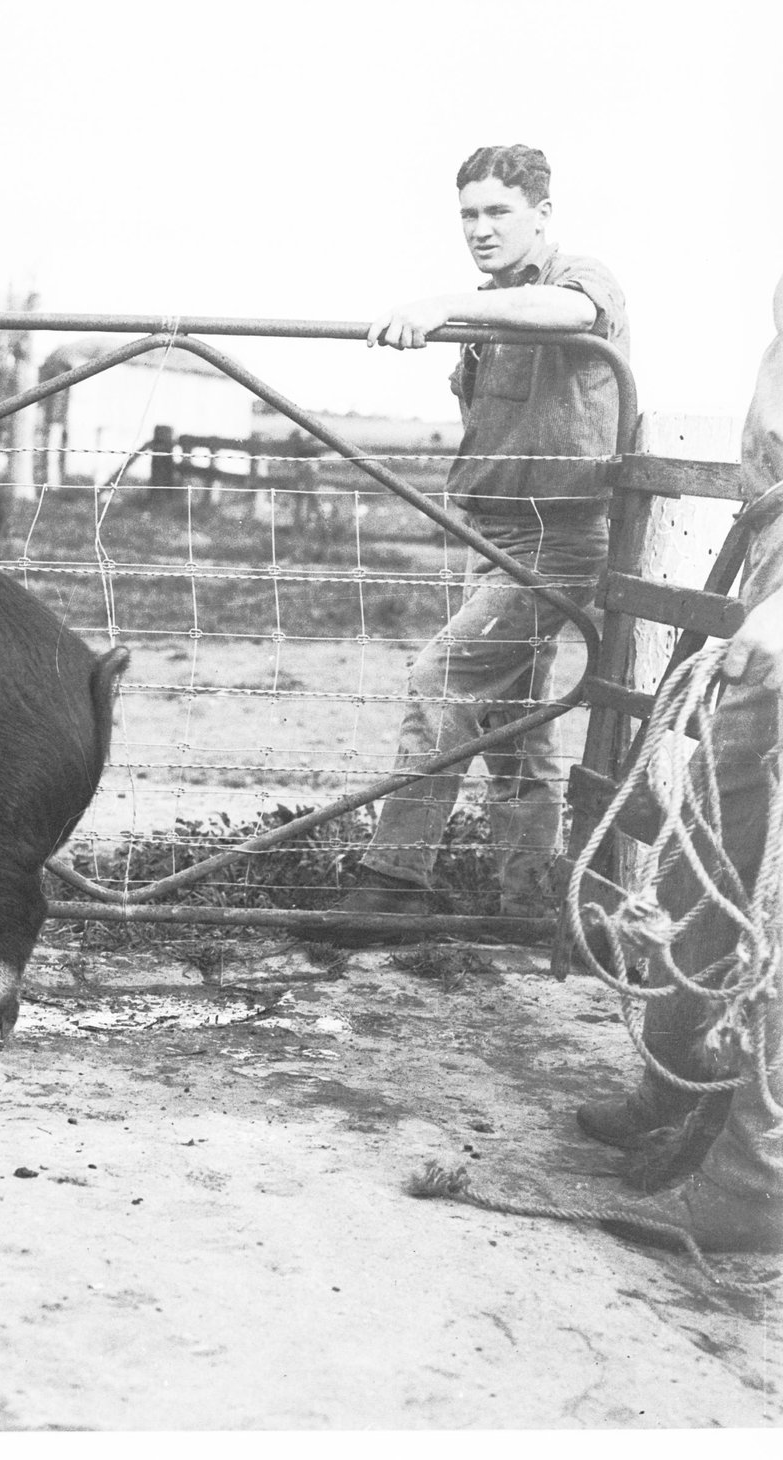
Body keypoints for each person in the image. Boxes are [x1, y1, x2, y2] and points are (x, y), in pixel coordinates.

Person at [326, 144, 630, 939]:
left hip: (558, 538)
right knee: (517, 734)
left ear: (543, 214)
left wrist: (440, 302)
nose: (482, 229)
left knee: (441, 680)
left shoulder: (578, 278)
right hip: (493, 534)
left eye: (499, 212)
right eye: (469, 214)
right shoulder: (489, 312)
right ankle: (530, 905)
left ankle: (395, 880)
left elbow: (576, 315)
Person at [574, 276, 783, 1254]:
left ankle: (752, 1182)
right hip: (766, 600)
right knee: (702, 864)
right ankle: (674, 1091)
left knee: (773, 910)